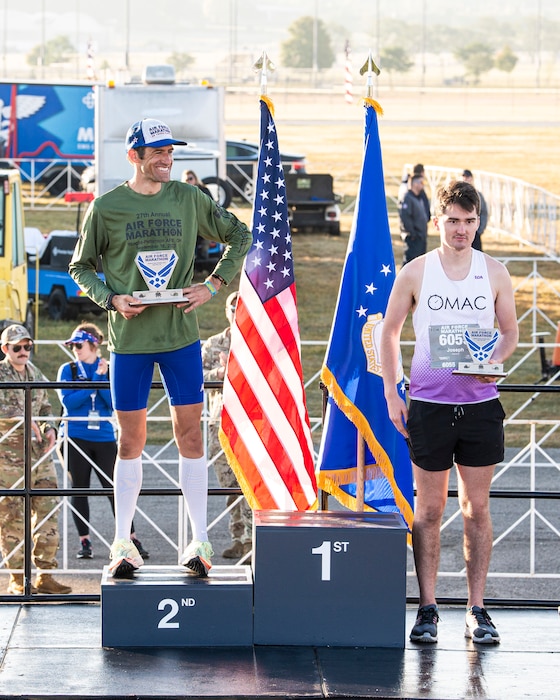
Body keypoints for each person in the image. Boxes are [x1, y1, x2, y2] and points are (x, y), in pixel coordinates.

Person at [69, 117, 252, 579]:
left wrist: (212, 286)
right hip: (128, 344)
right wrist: (110, 299)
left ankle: (199, 541)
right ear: (134, 156)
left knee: (190, 437)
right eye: (157, 152)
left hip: (180, 342)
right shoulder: (106, 207)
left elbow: (241, 237)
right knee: (130, 441)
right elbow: (81, 267)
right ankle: (122, 545)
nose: (167, 159)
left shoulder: (190, 198)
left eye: (171, 151)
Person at [381, 180, 518, 645]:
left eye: (470, 220)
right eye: (453, 221)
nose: (462, 230)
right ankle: (428, 608)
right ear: (437, 222)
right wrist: (391, 391)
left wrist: (494, 362)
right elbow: (388, 331)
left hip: (479, 409)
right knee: (430, 509)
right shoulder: (417, 272)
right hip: (429, 407)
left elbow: (510, 332)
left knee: (476, 508)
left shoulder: (495, 272)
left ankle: (477, 609)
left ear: (478, 222)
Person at [57, 322, 148, 560]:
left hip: (104, 436)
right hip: (75, 436)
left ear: (94, 345)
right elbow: (69, 402)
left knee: (115, 489)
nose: (75, 349)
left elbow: (113, 403)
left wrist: (98, 381)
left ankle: (130, 538)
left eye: (79, 344)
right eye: (73, 345)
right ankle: (84, 541)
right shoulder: (67, 369)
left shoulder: (109, 369)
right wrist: (94, 384)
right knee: (79, 489)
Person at [0, 324, 72, 595]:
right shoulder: (0, 372)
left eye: (27, 346)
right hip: (8, 458)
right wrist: (20, 418)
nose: (22, 351)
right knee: (12, 517)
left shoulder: (35, 372)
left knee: (48, 510)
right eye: (16, 347)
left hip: (38, 455)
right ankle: (18, 578)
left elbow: (45, 406)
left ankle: (45, 574)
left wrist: (49, 428)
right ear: (5, 349)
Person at [201, 291, 252, 559]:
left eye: (241, 307)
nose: (236, 312)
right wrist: (221, 373)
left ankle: (254, 540)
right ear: (226, 311)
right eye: (233, 308)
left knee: (252, 484)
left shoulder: (257, 341)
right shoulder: (213, 344)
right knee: (230, 485)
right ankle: (238, 537)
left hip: (251, 424)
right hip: (221, 425)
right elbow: (197, 378)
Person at [398, 173, 430, 266]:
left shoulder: (418, 197)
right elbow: (405, 217)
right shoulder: (407, 197)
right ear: (415, 184)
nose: (423, 184)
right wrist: (412, 233)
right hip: (413, 238)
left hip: (420, 237)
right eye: (421, 182)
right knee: (409, 263)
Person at [462, 169, 488, 251]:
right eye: (464, 177)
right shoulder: (457, 195)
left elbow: (484, 212)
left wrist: (479, 229)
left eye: (467, 177)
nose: (465, 179)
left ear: (471, 178)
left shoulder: (478, 195)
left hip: (475, 232)